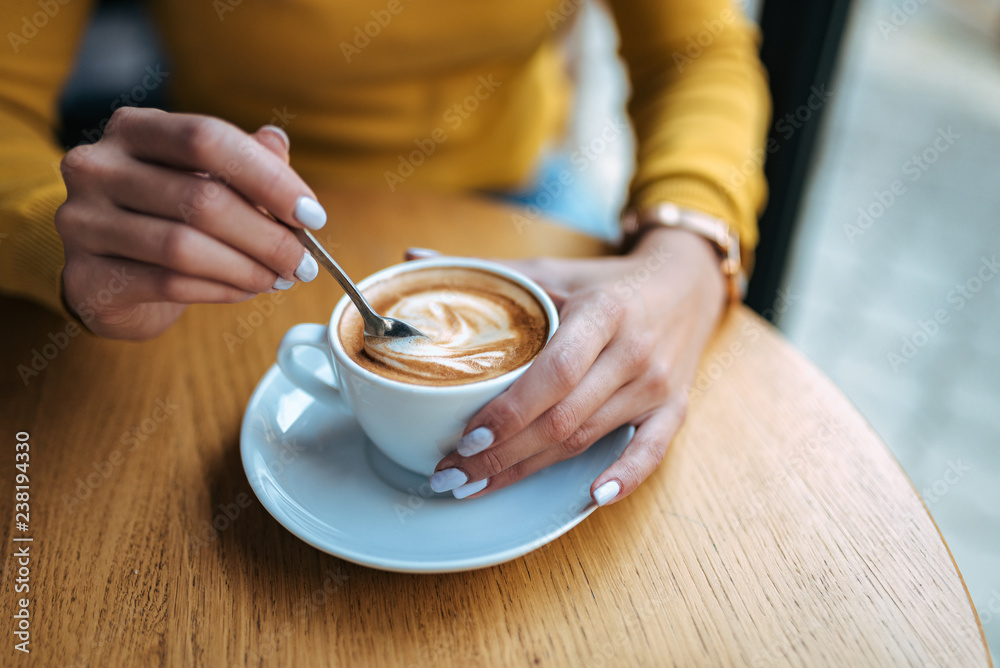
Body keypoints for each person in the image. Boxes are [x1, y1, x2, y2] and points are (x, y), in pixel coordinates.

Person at [0, 1, 769, 505]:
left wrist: (692, 247)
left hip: (524, 189)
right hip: (232, 224)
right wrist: (57, 234)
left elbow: (698, 53)